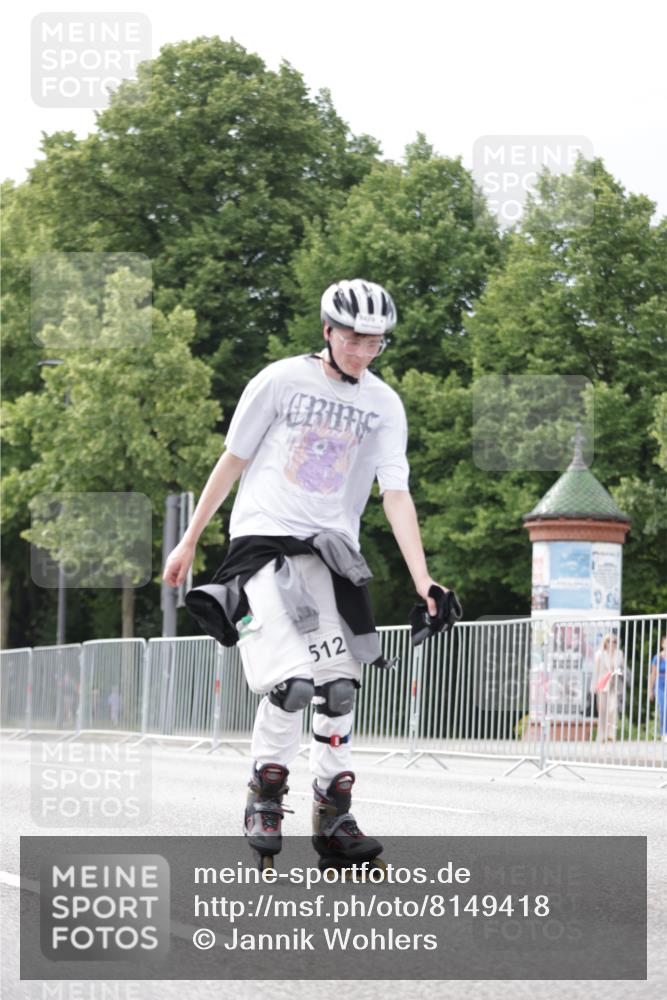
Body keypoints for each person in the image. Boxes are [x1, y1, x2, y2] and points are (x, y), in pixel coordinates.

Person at [162, 278, 452, 871]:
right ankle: (266, 794)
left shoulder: (384, 405)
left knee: (339, 690)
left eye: (376, 343)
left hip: (331, 554)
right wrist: (190, 541)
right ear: (327, 331)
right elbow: (233, 460)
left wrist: (424, 580)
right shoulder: (279, 380)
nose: (364, 351)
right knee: (292, 684)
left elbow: (396, 495)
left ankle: (334, 814)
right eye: (353, 338)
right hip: (262, 546)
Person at [590, 633, 629, 743]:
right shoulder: (599, 654)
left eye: (615, 641)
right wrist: (593, 687)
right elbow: (595, 672)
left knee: (613, 710)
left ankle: (611, 735)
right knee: (602, 711)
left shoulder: (619, 654)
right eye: (610, 641)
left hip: (614, 685)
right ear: (605, 643)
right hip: (603, 685)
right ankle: (601, 735)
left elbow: (623, 668)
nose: (613, 644)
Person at [648, 634, 667, 742]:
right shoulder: (657, 657)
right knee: (663, 707)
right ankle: (664, 733)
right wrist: (650, 690)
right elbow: (653, 674)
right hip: (660, 684)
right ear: (662, 644)